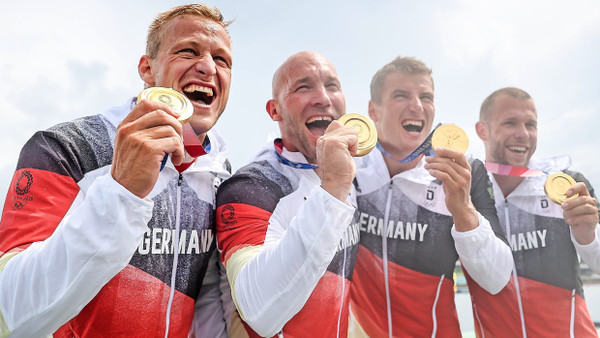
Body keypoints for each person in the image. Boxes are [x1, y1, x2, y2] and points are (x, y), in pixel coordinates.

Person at [0, 4, 233, 337]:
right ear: (147, 69)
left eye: (222, 60)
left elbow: (208, 298)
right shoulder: (63, 146)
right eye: (188, 51)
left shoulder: (220, 172)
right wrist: (121, 191)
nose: (208, 67)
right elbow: (12, 309)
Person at [348, 56, 514, 337]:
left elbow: (497, 278)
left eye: (426, 96)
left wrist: (463, 210)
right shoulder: (350, 166)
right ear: (372, 110)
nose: (417, 106)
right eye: (401, 95)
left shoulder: (466, 170)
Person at [215, 51, 360, 337]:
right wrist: (333, 188)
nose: (324, 98)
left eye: (333, 86)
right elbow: (258, 312)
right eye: (303, 87)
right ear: (274, 110)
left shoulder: (352, 173)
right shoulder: (252, 186)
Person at [470, 87, 600, 337]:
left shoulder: (567, 185)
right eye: (510, 123)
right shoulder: (465, 196)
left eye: (531, 124)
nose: (523, 134)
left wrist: (588, 236)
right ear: (482, 130)